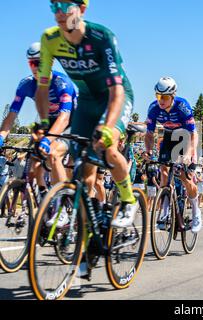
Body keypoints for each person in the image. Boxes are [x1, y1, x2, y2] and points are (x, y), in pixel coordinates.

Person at [35, 0, 138, 231]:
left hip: (115, 96)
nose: (59, 13)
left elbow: (117, 91)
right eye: (54, 7)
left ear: (81, 9)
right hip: (88, 100)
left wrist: (108, 126)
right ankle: (89, 230)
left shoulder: (102, 37)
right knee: (82, 170)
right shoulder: (50, 39)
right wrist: (43, 124)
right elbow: (42, 88)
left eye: (65, 6)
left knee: (108, 148)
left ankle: (128, 200)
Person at [0, 42, 77, 202]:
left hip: (71, 123)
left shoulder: (62, 83)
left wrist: (47, 141)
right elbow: (11, 116)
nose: (36, 67)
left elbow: (64, 119)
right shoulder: (26, 84)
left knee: (54, 154)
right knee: (34, 165)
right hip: (48, 123)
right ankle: (43, 201)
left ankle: (60, 206)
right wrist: (1, 137)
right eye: (32, 63)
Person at [145, 77, 202, 233]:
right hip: (169, 136)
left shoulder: (182, 106)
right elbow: (149, 134)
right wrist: (149, 151)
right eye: (158, 96)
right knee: (163, 171)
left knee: (184, 177)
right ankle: (164, 211)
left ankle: (196, 212)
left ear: (173, 95)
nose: (161, 100)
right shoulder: (153, 108)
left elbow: (193, 134)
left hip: (185, 137)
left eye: (164, 97)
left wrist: (191, 154)